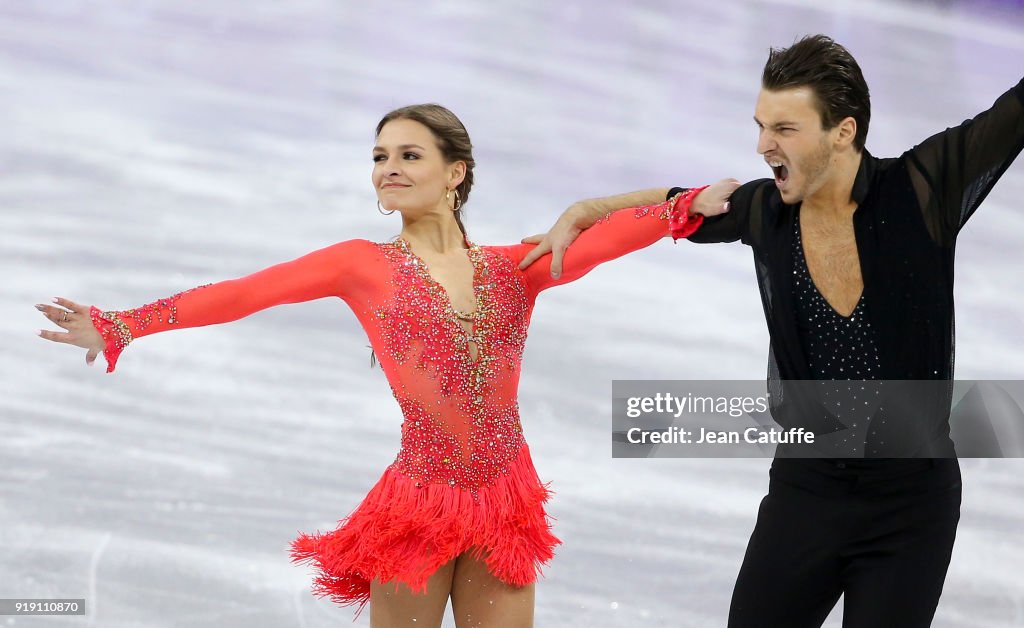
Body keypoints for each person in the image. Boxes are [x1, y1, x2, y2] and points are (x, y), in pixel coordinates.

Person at [35, 103, 735, 627]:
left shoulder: (513, 267)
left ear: (455, 172)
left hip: (504, 499)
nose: (388, 169)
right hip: (420, 503)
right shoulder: (362, 265)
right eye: (379, 157)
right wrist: (124, 324)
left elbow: (604, 239)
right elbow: (244, 294)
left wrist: (678, 206)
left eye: (408, 155)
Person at [522, 35, 1024, 627]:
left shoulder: (923, 189)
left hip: (913, 506)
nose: (763, 145)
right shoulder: (766, 211)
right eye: (761, 125)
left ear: (843, 130)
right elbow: (673, 209)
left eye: (784, 128)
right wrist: (584, 209)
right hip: (806, 497)